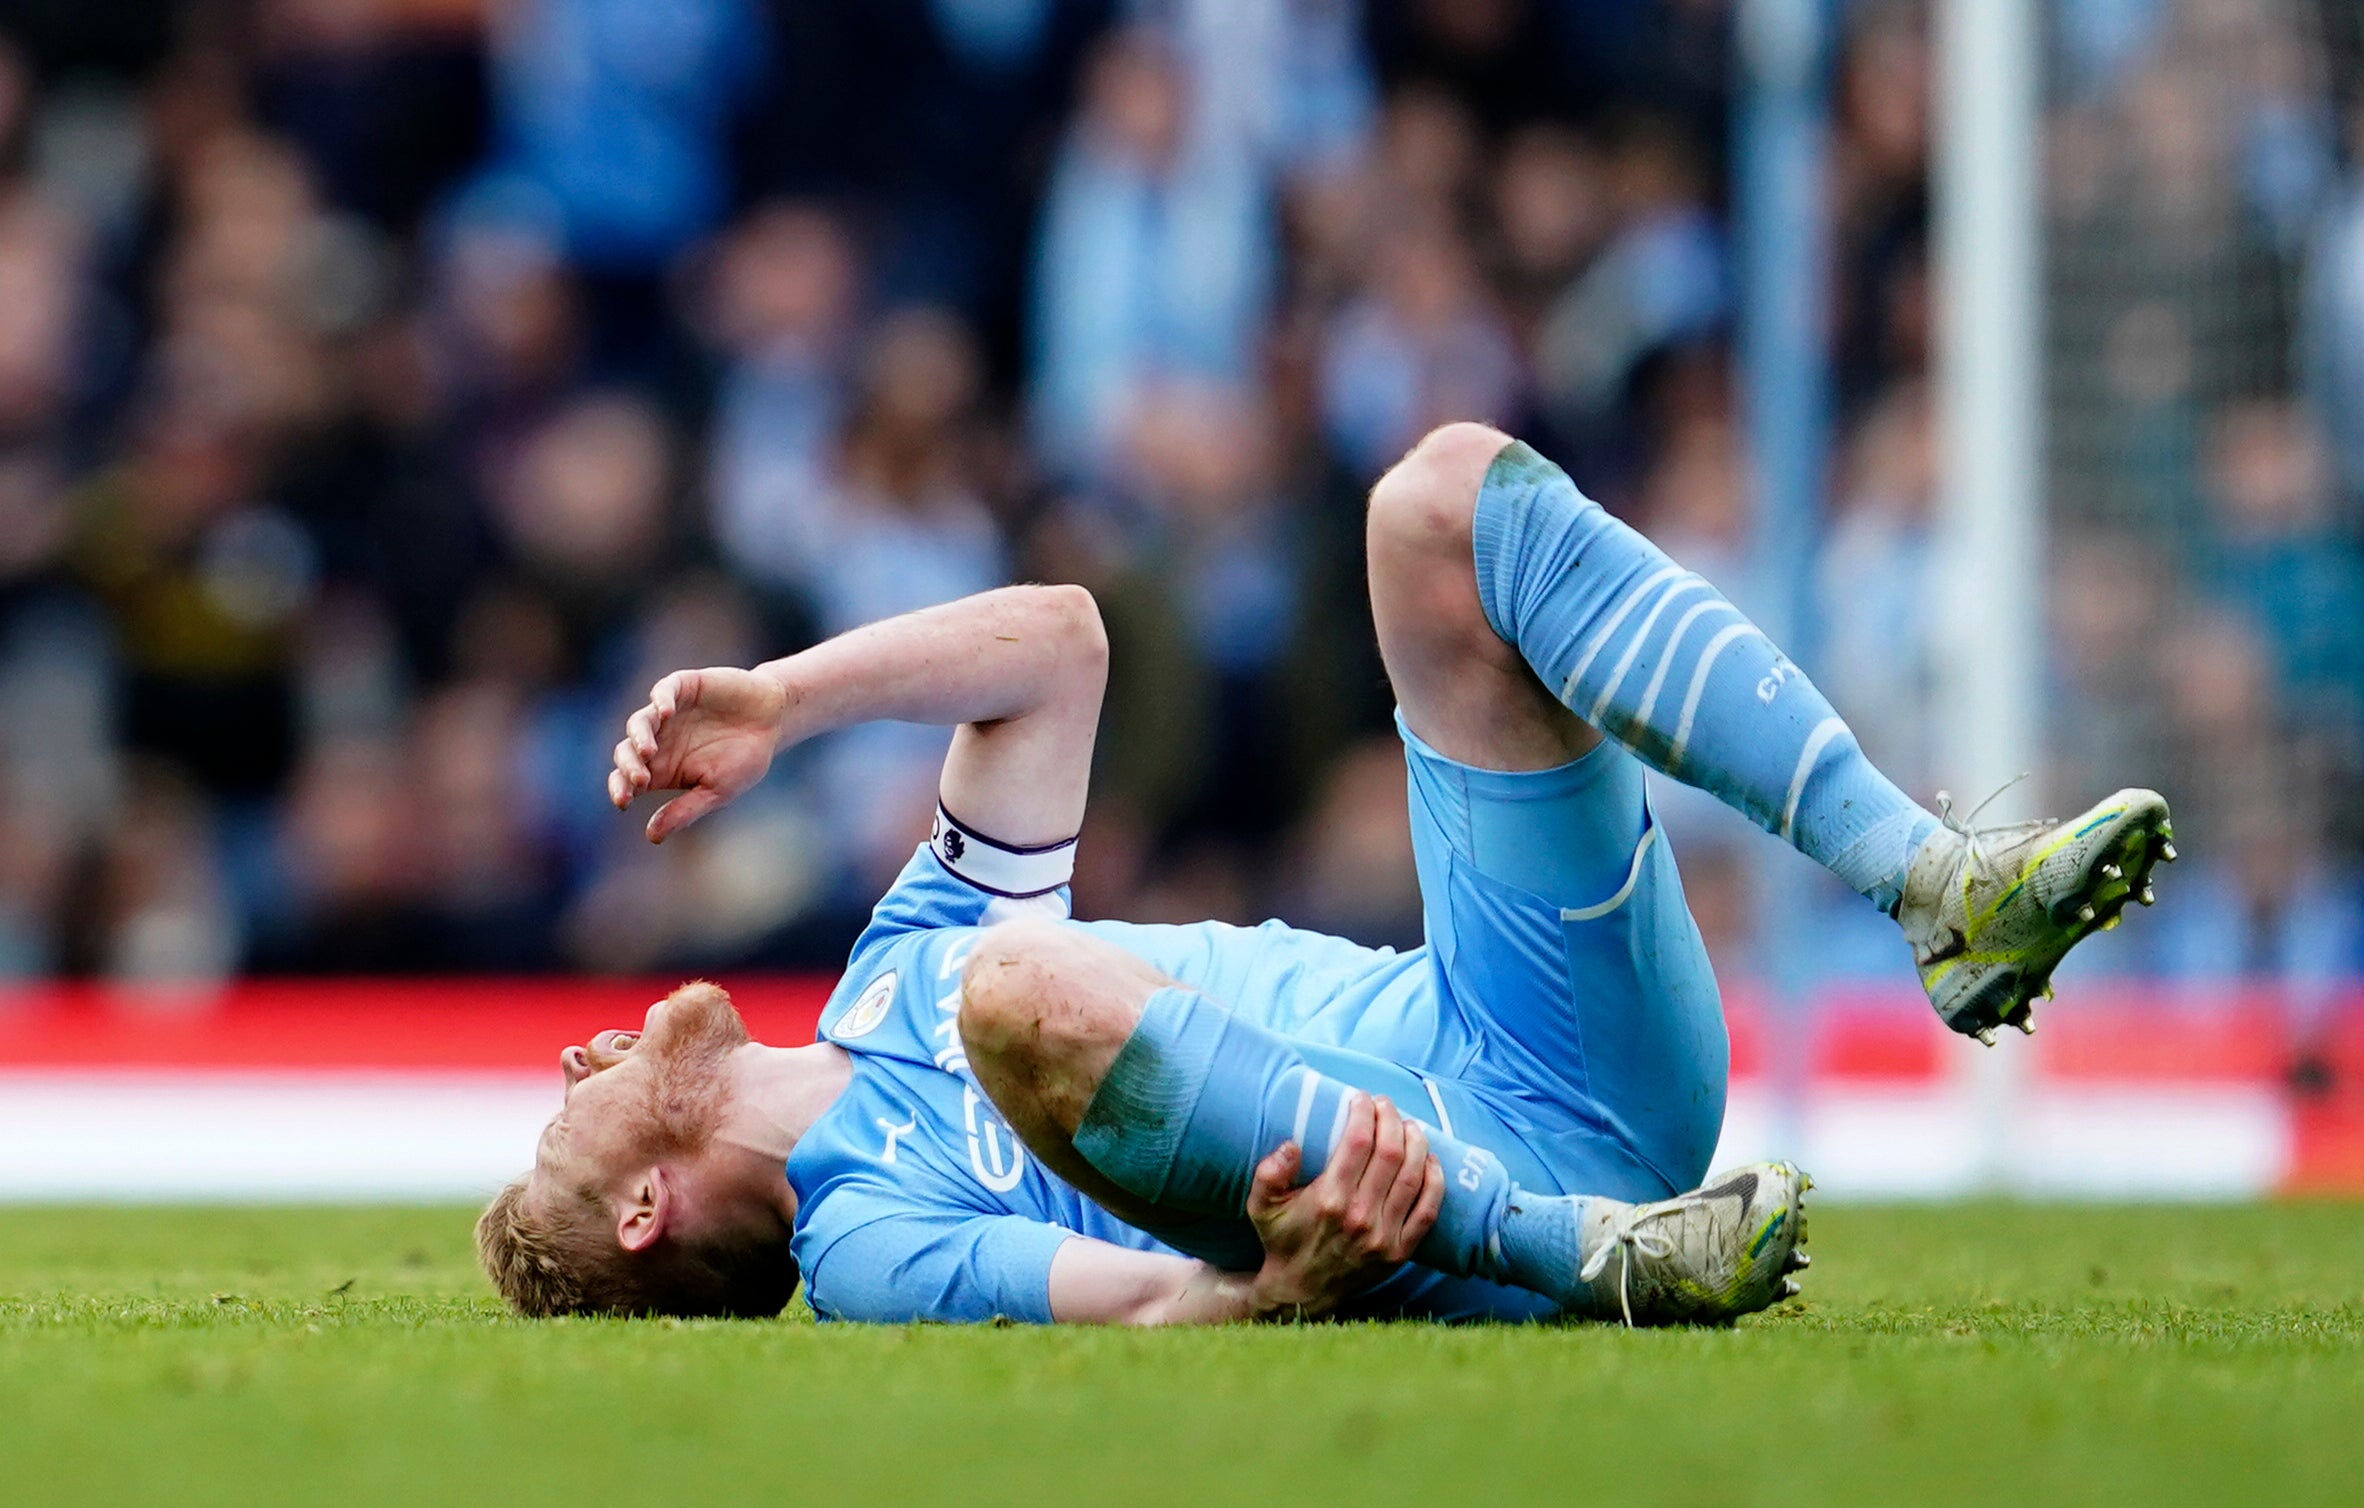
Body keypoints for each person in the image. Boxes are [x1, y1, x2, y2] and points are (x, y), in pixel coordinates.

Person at [477, 423, 2174, 1326]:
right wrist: (1278, 1291)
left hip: (1535, 1030)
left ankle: (1938, 885)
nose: (579, 1057)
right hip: (1448, 1204)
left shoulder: (894, 954)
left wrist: (781, 700)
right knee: (1021, 992)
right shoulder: (863, 1246)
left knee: (1433, 504)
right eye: (569, 1120)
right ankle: (1598, 1256)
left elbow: (1058, 646)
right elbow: (1138, 1298)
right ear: (646, 1211)